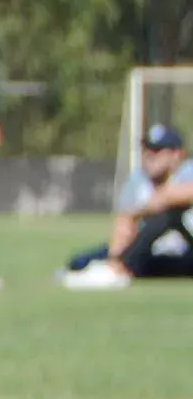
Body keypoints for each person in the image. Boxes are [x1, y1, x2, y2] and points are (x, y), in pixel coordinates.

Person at [64, 122, 191, 286]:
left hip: (188, 252)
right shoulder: (138, 179)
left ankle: (120, 268)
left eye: (157, 151)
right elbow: (125, 221)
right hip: (155, 253)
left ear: (176, 155)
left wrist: (145, 208)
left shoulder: (188, 171)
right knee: (80, 261)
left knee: (167, 214)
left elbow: (173, 196)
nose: (149, 156)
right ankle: (116, 268)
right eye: (146, 149)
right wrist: (115, 256)